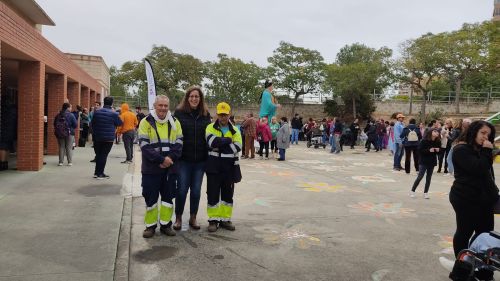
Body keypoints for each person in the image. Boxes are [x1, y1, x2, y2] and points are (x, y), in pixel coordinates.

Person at [449, 120, 497, 258]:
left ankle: (480, 267)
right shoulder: (461, 149)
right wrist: (488, 150)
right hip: (465, 198)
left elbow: (488, 174)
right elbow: (478, 169)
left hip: (484, 200)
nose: (485, 137)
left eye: (489, 134)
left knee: (486, 234)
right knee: (464, 232)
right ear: (473, 132)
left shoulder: (480, 149)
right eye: (482, 133)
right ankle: (461, 266)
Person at [138, 95, 183, 238]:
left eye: (165, 106)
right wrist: (161, 159)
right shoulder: (145, 122)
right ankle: (150, 226)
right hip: (151, 169)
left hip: (170, 169)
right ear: (154, 106)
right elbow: (144, 146)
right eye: (160, 105)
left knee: (168, 198)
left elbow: (179, 143)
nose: (163, 108)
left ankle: (165, 225)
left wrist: (169, 159)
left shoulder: (175, 122)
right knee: (150, 198)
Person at [172, 86, 211, 231]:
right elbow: (174, 135)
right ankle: (178, 217)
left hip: (200, 161)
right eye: (192, 96)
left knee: (196, 191)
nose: (194, 99)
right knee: (181, 190)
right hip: (183, 160)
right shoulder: (179, 113)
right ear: (187, 98)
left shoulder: (205, 114)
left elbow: (209, 136)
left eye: (197, 96)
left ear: (200, 99)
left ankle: (193, 217)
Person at [205, 102, 242, 232]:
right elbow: (211, 142)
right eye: (220, 114)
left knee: (227, 195)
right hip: (213, 168)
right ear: (217, 114)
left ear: (229, 114)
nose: (223, 117)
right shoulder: (209, 127)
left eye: (225, 115)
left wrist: (219, 145)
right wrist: (227, 141)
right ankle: (213, 220)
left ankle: (225, 220)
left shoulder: (235, 130)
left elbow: (237, 147)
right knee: (212, 195)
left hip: (229, 169)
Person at [91, 96, 123, 179]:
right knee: (103, 155)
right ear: (112, 103)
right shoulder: (114, 113)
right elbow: (120, 123)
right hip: (108, 138)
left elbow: (92, 124)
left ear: (103, 102)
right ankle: (100, 173)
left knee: (98, 154)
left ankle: (96, 172)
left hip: (97, 137)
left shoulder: (97, 112)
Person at [409, 128, 441, 199]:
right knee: (420, 176)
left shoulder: (438, 141)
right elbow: (419, 151)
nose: (437, 133)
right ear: (430, 132)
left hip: (432, 161)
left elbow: (440, 152)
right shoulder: (424, 141)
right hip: (423, 161)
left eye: (437, 132)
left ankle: (425, 193)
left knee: (429, 177)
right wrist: (429, 150)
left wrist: (438, 150)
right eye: (435, 131)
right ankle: (412, 191)